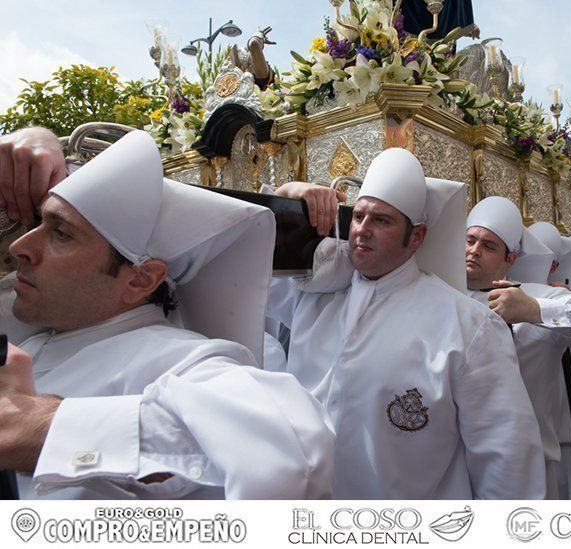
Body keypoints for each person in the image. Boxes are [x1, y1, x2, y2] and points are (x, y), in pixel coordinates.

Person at [0, 128, 335, 499]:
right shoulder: (25, 333)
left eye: (61, 234)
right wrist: (40, 139)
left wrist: (49, 428)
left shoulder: (180, 360)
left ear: (141, 279)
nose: (19, 247)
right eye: (38, 223)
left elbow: (289, 444)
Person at [268, 148, 545, 499]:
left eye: (382, 221)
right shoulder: (314, 297)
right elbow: (240, 252)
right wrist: (286, 199)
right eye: (359, 217)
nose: (363, 231)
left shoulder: (469, 325)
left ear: (416, 237)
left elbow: (507, 458)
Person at [465, 198, 571, 498]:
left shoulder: (531, 296)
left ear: (510, 258)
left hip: (524, 464)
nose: (474, 251)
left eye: (489, 246)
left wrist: (535, 311)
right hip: (457, 466)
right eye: (470, 240)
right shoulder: (439, 293)